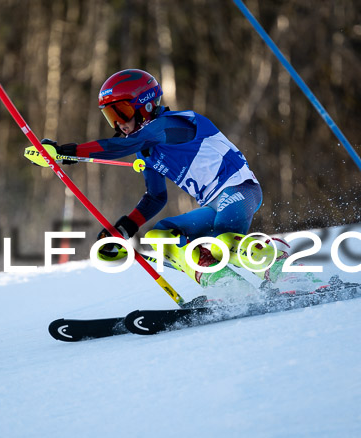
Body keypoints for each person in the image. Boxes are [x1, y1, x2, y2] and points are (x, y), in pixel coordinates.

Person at [42, 69, 316, 291]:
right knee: (161, 235)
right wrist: (123, 230)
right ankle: (225, 286)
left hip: (239, 189)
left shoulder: (171, 124)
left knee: (223, 237)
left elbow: (122, 145)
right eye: (110, 116)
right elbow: (155, 197)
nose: (118, 125)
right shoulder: (146, 148)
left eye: (121, 112)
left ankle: (283, 267)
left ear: (146, 105)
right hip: (213, 202)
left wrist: (67, 152)